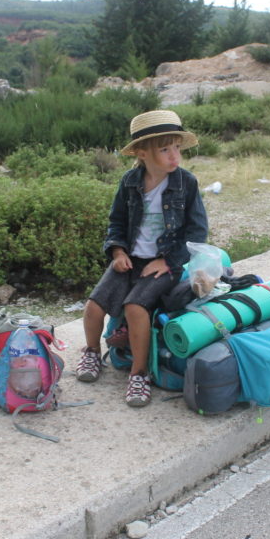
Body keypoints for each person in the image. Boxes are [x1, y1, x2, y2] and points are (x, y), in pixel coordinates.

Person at [76, 110, 208, 407]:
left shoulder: (186, 183)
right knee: (94, 306)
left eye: (176, 147)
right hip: (130, 259)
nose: (174, 155)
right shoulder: (130, 182)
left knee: (136, 308)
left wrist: (170, 261)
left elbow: (197, 231)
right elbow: (117, 222)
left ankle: (139, 373)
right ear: (141, 153)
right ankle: (92, 353)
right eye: (164, 149)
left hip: (165, 262)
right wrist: (118, 251)